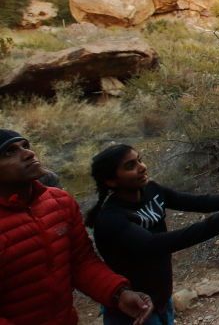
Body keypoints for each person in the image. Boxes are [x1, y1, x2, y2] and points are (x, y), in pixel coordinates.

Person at [85, 144, 219, 325]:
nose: (142, 167)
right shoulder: (111, 219)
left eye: (139, 160)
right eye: (130, 166)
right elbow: (154, 244)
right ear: (111, 181)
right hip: (132, 307)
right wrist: (217, 222)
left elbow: (196, 202)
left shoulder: (151, 190)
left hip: (161, 297)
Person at [0, 130, 153, 325]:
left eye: (25, 146)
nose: (28, 154)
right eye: (9, 152)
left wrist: (118, 293)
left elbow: (80, 261)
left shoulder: (60, 202)